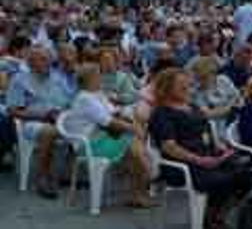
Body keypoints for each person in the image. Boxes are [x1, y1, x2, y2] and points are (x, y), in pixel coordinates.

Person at [148, 68, 252, 229]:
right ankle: (213, 217)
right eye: (182, 86)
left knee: (247, 175)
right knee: (221, 179)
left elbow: (207, 131)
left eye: (188, 85)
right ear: (167, 89)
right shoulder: (162, 114)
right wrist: (199, 160)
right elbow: (169, 147)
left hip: (207, 157)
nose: (188, 89)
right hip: (182, 164)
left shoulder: (192, 107)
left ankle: (215, 213)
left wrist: (221, 148)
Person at [66, 63, 153, 207]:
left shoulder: (97, 94)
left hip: (102, 138)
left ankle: (140, 184)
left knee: (135, 144)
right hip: (89, 144)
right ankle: (142, 182)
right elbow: (108, 122)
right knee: (134, 143)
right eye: (98, 75)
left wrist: (131, 118)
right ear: (90, 79)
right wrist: (133, 128)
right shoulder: (85, 98)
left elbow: (114, 111)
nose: (101, 78)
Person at [6, 47, 73, 198]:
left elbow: (70, 101)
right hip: (32, 121)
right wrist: (43, 115)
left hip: (60, 118)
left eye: (48, 59)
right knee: (49, 131)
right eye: (41, 59)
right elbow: (13, 111)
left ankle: (67, 174)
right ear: (30, 63)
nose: (47, 62)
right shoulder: (20, 79)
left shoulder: (58, 78)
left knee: (87, 124)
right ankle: (42, 177)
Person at [190, 56, 242, 125]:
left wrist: (229, 108)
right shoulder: (196, 93)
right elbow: (207, 114)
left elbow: (239, 100)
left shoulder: (223, 80)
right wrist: (231, 108)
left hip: (235, 120)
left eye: (205, 76)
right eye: (200, 77)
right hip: (215, 125)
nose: (200, 80)